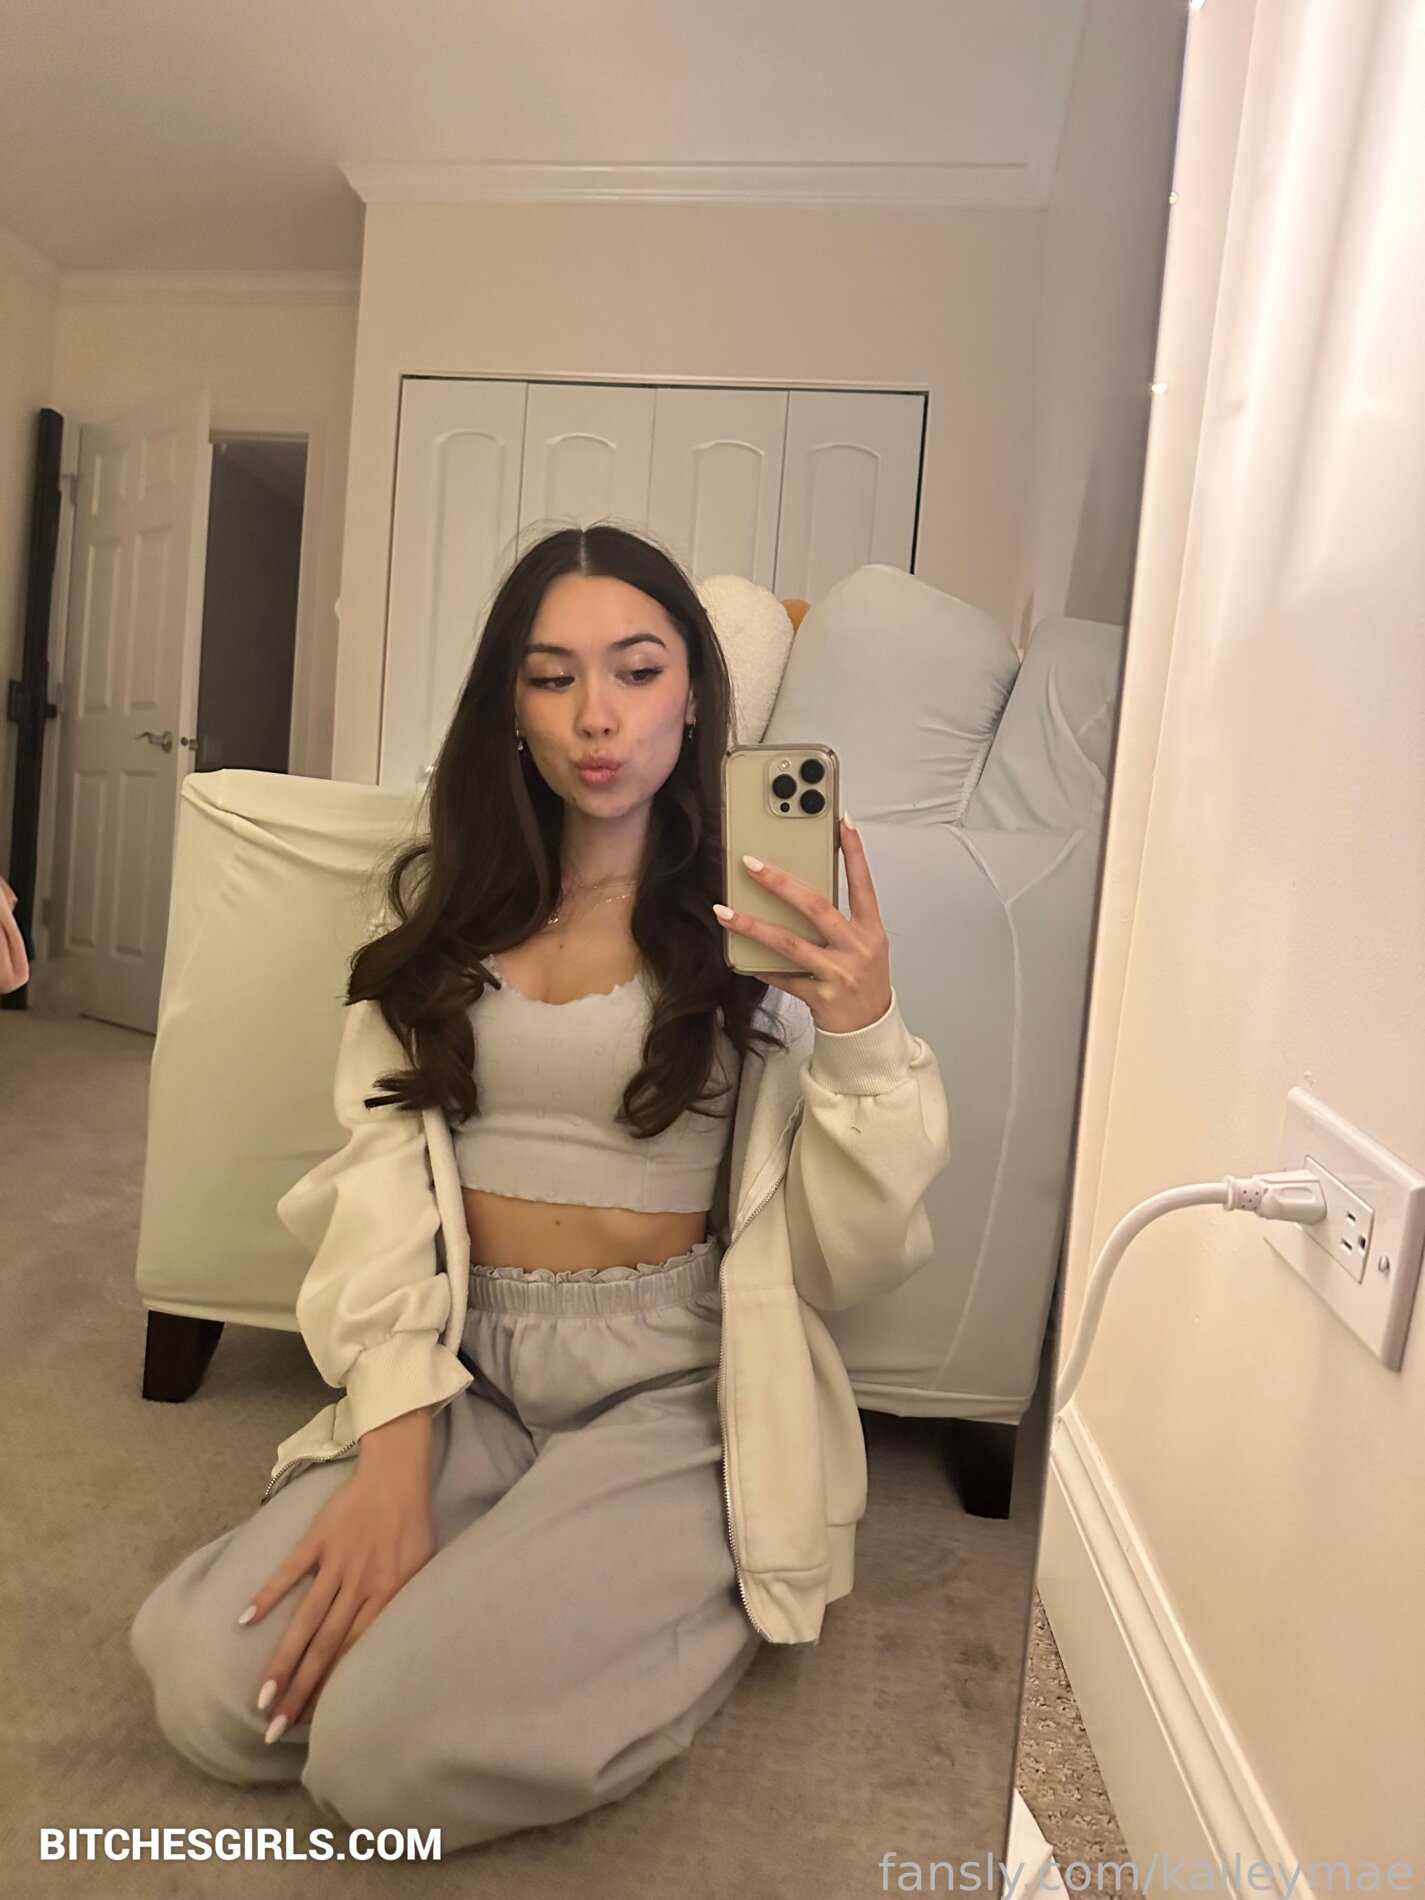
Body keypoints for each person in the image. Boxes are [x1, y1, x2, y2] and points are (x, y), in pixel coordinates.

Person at [130, 525, 951, 1851]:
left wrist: (861, 1030)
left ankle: (685, 1584)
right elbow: (379, 1182)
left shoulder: (762, 934)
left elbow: (846, 1256)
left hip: (677, 1382)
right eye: (552, 676)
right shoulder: (445, 919)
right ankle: (516, 1565)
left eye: (637, 670)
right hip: (469, 1368)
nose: (596, 717)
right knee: (215, 1694)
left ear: (696, 698)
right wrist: (395, 1447)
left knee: (382, 1759)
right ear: (509, 706)